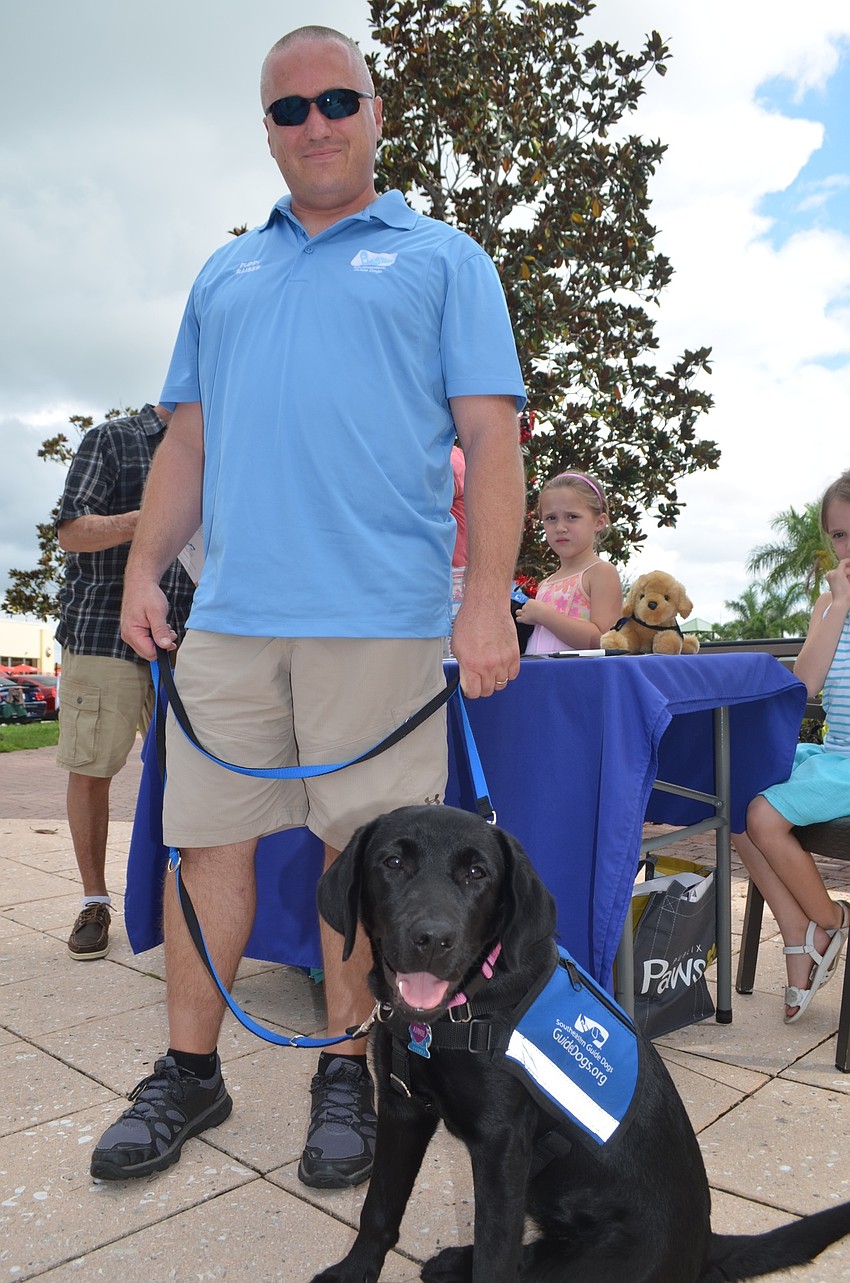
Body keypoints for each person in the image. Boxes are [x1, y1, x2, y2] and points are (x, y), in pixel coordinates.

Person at [89, 26, 526, 1189]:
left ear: (378, 113)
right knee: (205, 851)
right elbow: (188, 439)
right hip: (230, 622)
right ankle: (191, 1069)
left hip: (380, 623)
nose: (317, 122)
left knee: (365, 863)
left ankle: (348, 1072)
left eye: (339, 99)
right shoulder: (225, 272)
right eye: (290, 109)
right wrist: (143, 567)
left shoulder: (444, 258)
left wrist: (485, 598)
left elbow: (491, 435)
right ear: (268, 132)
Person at [56, 404, 195, 962]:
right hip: (103, 636)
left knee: (191, 778)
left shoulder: (225, 446)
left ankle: (181, 900)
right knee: (92, 769)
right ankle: (95, 902)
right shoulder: (113, 439)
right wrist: (157, 517)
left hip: (190, 642)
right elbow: (70, 531)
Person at [733, 469, 850, 1024]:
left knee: (763, 814)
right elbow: (804, 687)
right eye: (840, 535)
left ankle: (827, 920)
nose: (848, 546)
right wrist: (837, 607)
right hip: (834, 756)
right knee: (730, 794)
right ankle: (802, 929)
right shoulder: (831, 605)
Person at [516, 471, 622, 654]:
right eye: (551, 518)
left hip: (579, 680)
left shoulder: (601, 573)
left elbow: (606, 641)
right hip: (542, 680)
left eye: (572, 517)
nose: (560, 528)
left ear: (599, 521)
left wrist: (543, 615)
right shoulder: (545, 584)